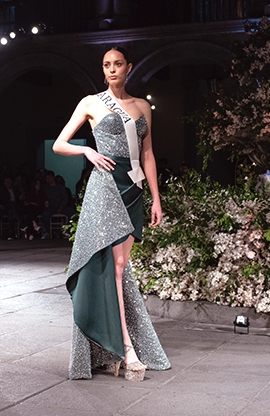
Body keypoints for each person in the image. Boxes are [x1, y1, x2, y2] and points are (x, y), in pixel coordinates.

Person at [53, 46, 170, 380]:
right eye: (107, 65)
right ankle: (126, 349)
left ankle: (109, 348)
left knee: (119, 268)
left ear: (128, 67)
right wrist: (87, 152)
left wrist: (156, 199)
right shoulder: (90, 103)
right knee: (116, 268)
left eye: (118, 64)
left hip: (133, 189)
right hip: (105, 187)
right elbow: (60, 143)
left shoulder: (142, 106)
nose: (112, 69)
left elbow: (148, 154)